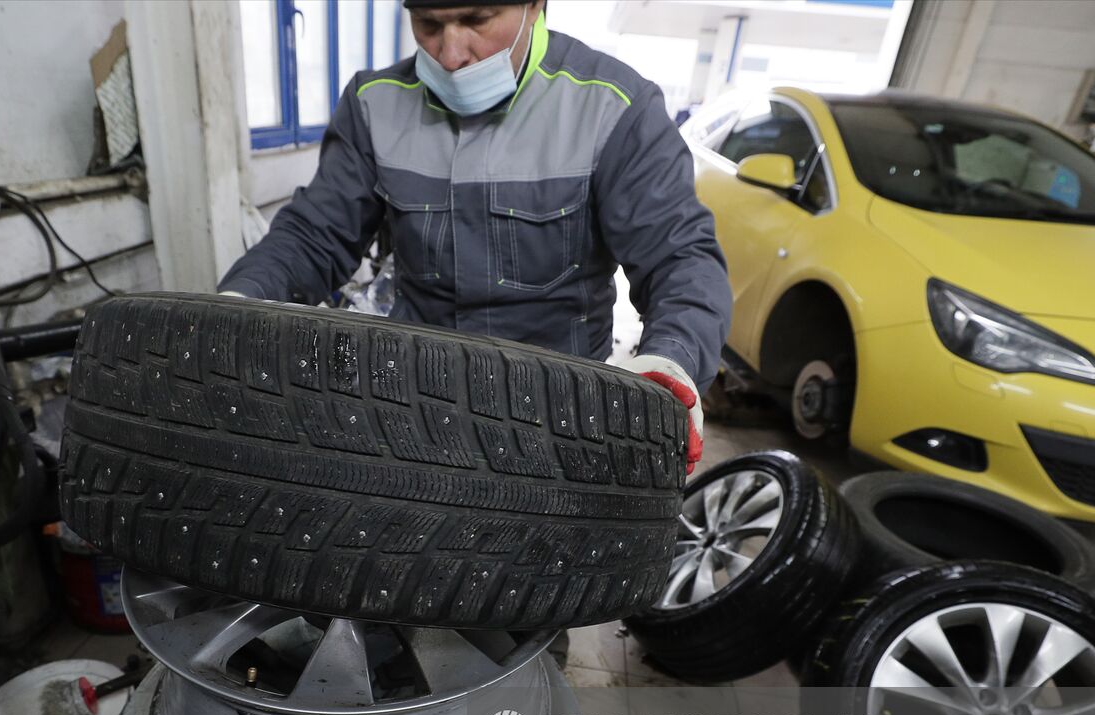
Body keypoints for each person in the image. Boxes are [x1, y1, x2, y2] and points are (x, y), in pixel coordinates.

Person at [219, 0, 731, 474]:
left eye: (477, 19)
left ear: (534, 6)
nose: (451, 53)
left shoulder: (615, 109)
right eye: (429, 24)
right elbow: (312, 236)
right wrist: (235, 306)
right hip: (411, 411)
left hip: (560, 427)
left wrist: (671, 363)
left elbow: (680, 259)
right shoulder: (373, 105)